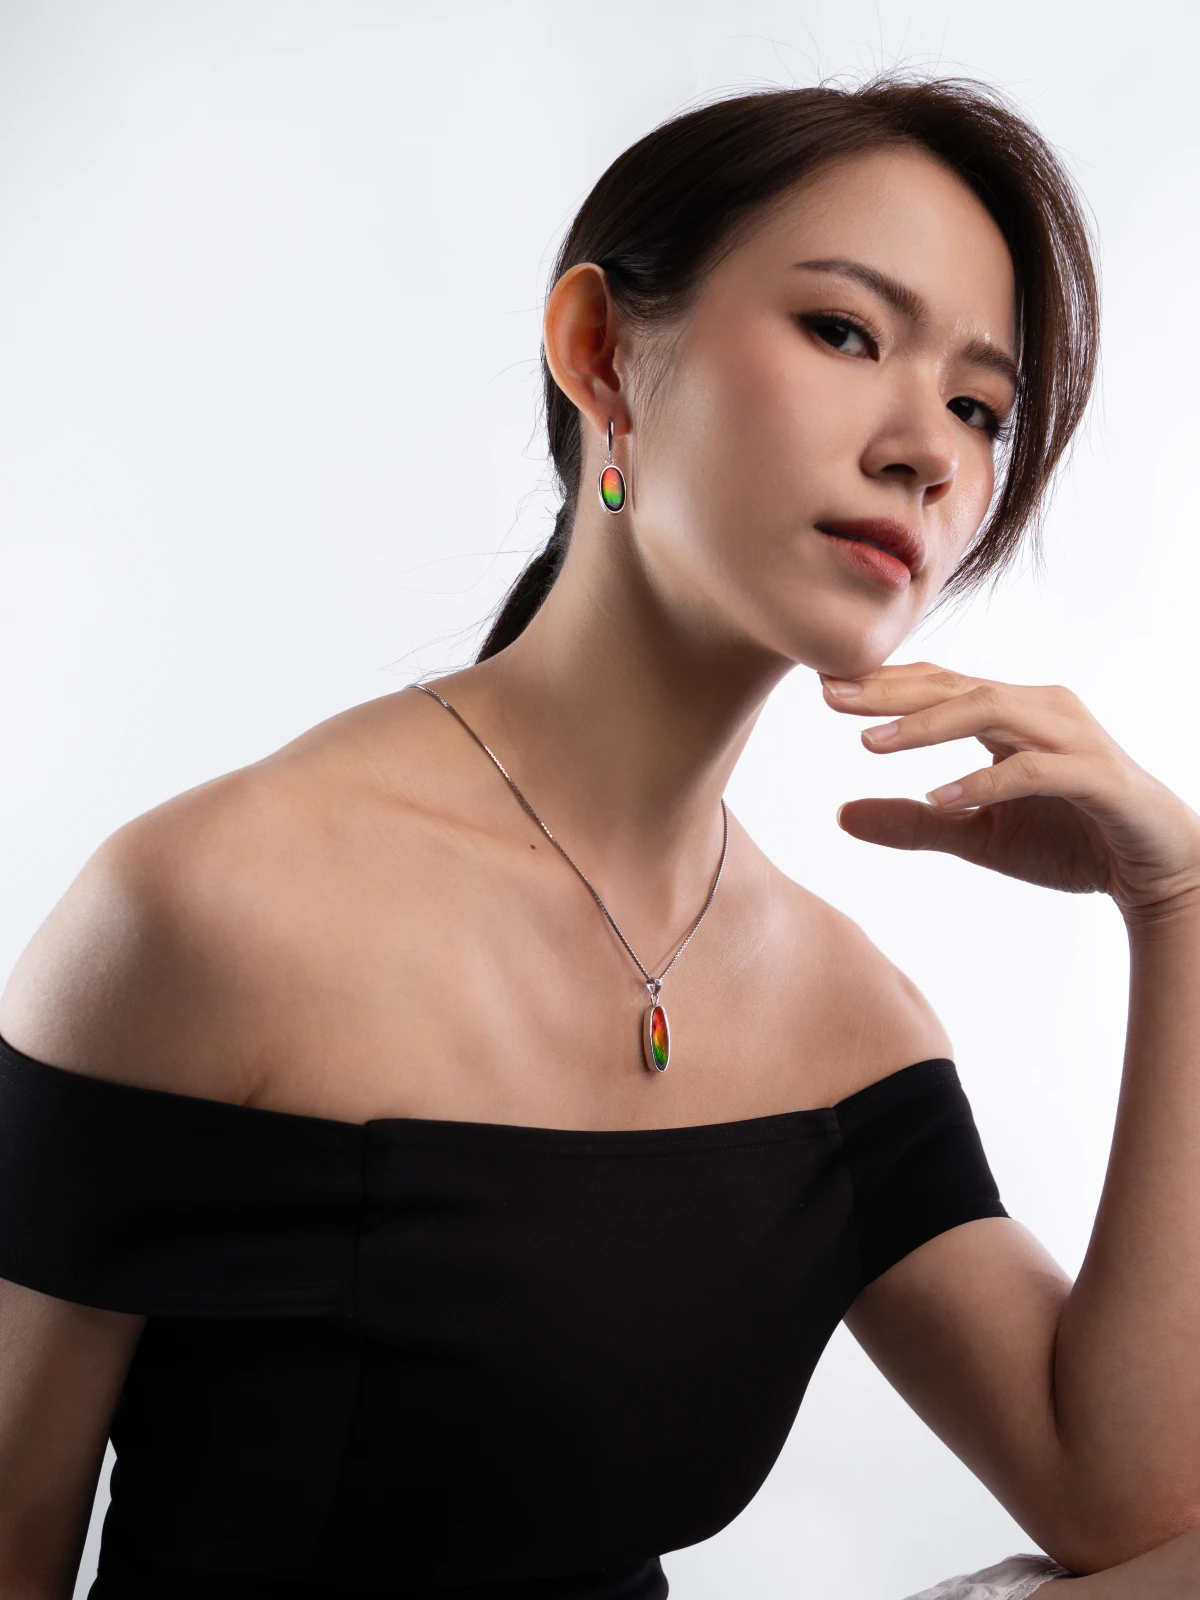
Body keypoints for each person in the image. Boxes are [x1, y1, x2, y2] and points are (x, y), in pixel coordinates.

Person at [1, 72, 1199, 1600]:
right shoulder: (208, 910)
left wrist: (1180, 903)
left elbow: (1133, 1504)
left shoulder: (847, 1022)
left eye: (980, 407)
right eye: (845, 332)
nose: (930, 451)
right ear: (601, 351)